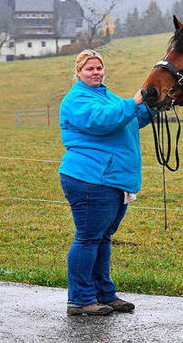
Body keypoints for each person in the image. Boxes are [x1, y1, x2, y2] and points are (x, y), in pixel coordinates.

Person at [59, 49, 153, 315]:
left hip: (108, 179)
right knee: (88, 238)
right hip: (89, 178)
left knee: (102, 238)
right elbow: (104, 120)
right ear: (78, 72)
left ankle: (104, 294)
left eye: (99, 68)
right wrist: (134, 102)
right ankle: (80, 300)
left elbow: (128, 119)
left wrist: (153, 107)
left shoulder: (106, 96)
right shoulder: (76, 99)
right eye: (89, 69)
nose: (95, 72)